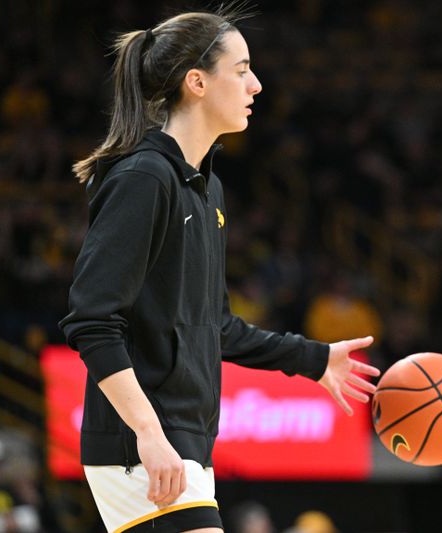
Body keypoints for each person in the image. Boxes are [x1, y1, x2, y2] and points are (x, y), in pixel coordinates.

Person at [58, 7, 379, 533]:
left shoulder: (208, 188)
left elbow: (216, 325)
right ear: (197, 82)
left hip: (183, 442)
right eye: (242, 68)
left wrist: (313, 358)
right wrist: (148, 432)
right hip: (143, 445)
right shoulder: (145, 178)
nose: (256, 83)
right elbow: (92, 320)